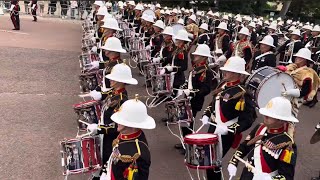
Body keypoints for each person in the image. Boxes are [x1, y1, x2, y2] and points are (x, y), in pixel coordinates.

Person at [202, 56, 257, 179]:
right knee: (208, 161)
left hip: (226, 133)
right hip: (213, 127)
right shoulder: (223, 85)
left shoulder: (242, 93)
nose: (224, 72)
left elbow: (249, 118)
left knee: (214, 163)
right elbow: (214, 103)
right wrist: (206, 114)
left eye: (228, 71)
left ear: (237, 74)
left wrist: (231, 129)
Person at [87, 63, 138, 180]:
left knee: (106, 165)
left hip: (110, 139)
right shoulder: (114, 92)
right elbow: (106, 96)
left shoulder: (122, 100)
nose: (110, 80)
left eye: (113, 78)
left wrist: (100, 129)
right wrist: (99, 94)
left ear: (120, 81)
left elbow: (117, 126)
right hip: (104, 136)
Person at [228, 97, 298, 180]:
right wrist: (234, 162)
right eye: (266, 114)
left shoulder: (287, 143)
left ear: (281, 120)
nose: (265, 116)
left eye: (270, 115)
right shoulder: (259, 128)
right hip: (246, 175)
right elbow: (244, 146)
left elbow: (287, 176)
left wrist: (269, 179)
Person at [100, 95, 155, 180]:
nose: (117, 121)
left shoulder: (137, 154)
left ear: (132, 124)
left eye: (122, 120)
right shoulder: (125, 134)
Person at [175, 44, 214, 154]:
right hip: (187, 98)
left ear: (204, 57)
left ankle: (189, 145)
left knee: (189, 123)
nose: (195, 57)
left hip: (195, 101)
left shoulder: (207, 71)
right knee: (183, 121)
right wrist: (182, 89)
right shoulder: (196, 68)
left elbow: (206, 89)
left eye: (198, 55)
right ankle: (184, 141)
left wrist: (193, 93)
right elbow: (189, 82)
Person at [279, 48, 320, 114]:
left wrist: (291, 92)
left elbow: (305, 91)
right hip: (283, 96)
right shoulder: (291, 67)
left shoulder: (308, 73)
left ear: (305, 60)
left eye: (299, 57)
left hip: (294, 100)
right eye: (297, 57)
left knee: (287, 119)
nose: (296, 58)